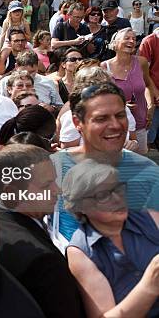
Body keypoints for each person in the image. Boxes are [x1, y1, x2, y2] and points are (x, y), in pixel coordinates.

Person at [0, 144, 85, 317]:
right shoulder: (43, 261)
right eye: (46, 186)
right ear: (12, 193)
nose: (57, 191)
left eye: (55, 180)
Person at [52, 82, 159, 245]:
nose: (115, 125)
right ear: (77, 123)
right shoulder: (51, 169)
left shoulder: (149, 173)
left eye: (120, 115)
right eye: (101, 118)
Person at [61, 159, 159, 318]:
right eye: (103, 195)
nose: (117, 198)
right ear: (81, 206)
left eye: (118, 189)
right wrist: (150, 286)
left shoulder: (148, 217)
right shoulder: (80, 253)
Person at [101, 28, 156, 154]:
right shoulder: (104, 67)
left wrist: (151, 105)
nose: (131, 41)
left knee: (140, 164)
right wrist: (122, 106)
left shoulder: (141, 62)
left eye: (134, 39)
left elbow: (147, 85)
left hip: (140, 123)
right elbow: (101, 98)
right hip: (116, 126)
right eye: (127, 38)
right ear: (115, 43)